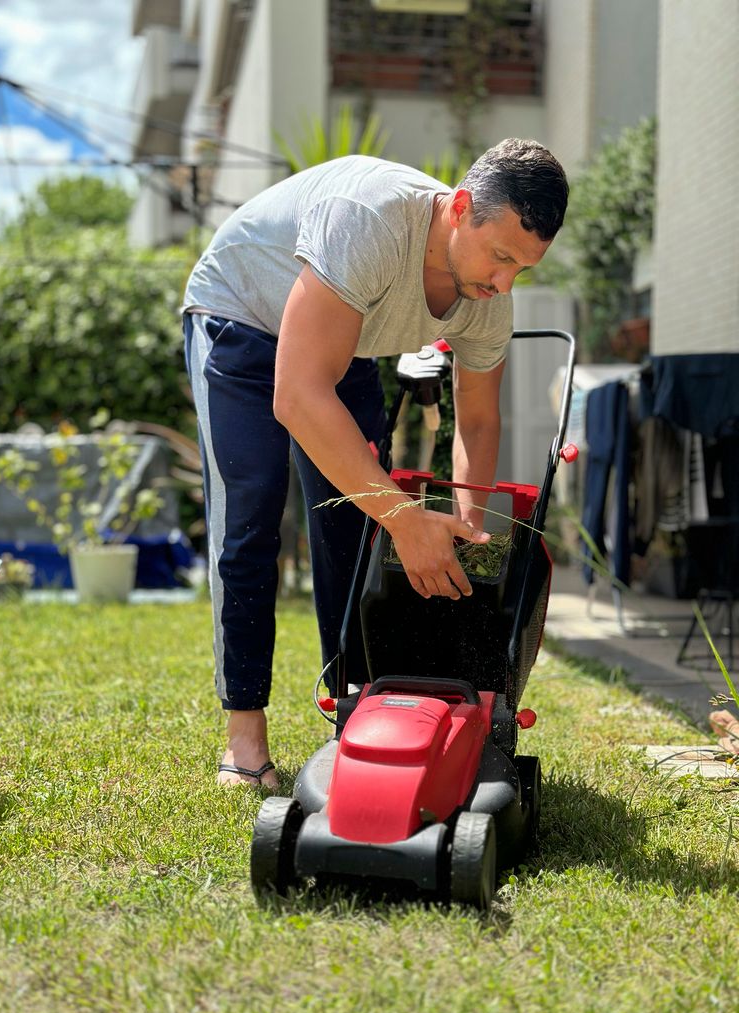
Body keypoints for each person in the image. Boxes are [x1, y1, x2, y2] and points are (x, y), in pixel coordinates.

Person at [182, 138, 569, 789]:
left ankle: (359, 717)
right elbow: (297, 394)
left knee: (355, 527)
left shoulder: (487, 302)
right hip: (240, 317)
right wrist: (409, 521)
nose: (504, 283)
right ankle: (244, 745)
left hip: (343, 338)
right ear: (461, 207)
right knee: (250, 513)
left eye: (521, 269)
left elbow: (476, 420)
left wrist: (466, 535)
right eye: (500, 256)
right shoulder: (368, 218)